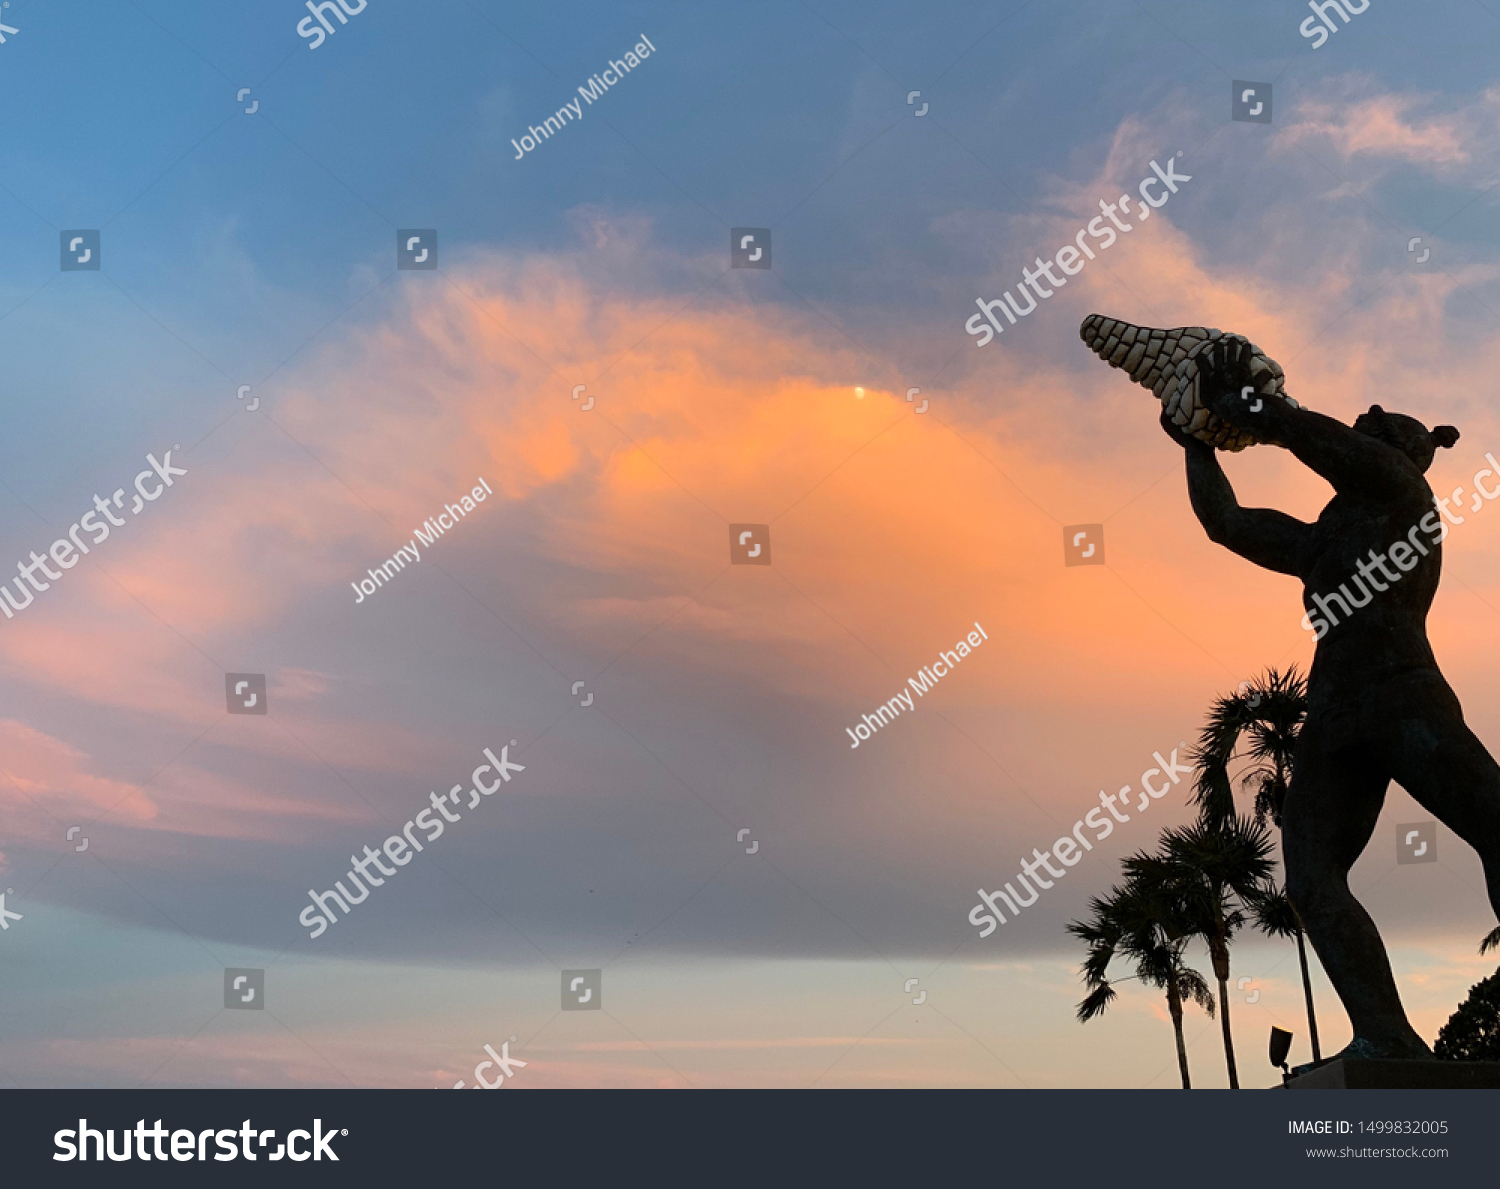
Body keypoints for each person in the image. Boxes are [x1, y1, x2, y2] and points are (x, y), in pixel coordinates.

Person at [1164, 336, 1489, 1061]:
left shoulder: (1407, 494)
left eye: (1375, 427)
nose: (1363, 419)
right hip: (1337, 712)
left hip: (1407, 694)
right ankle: (1386, 1034)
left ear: (1402, 450)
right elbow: (1229, 523)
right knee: (1312, 881)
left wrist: (1253, 404)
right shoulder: (1325, 539)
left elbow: (1310, 436)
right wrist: (1196, 445)